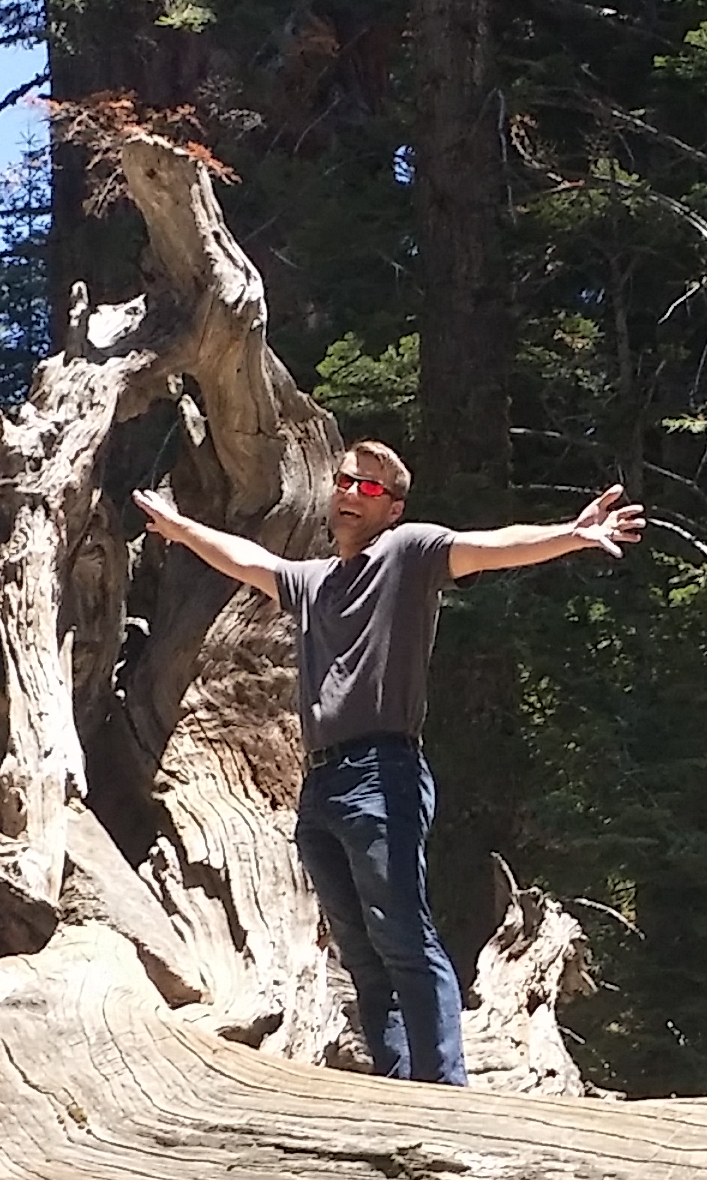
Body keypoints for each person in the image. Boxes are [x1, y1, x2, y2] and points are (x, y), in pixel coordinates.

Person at [136, 442, 644, 1085]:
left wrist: (571, 534)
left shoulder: (409, 553)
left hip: (383, 775)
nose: (351, 493)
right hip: (320, 786)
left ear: (394, 508)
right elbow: (250, 560)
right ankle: (400, 1089)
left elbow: (489, 546)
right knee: (361, 954)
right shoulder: (314, 581)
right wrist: (181, 529)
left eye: (370, 488)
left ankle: (444, 1090)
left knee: (404, 936)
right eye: (346, 481)